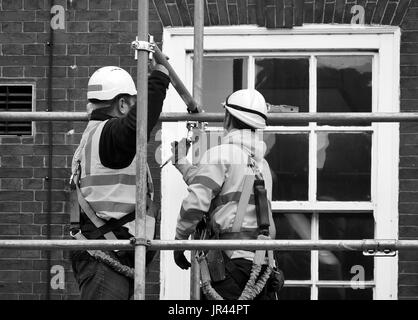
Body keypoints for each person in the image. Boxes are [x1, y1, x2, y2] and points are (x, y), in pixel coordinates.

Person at [70, 62, 170, 300]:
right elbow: (137, 126)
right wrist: (159, 77)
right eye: (132, 103)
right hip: (105, 252)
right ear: (122, 104)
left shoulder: (95, 134)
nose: (135, 109)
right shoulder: (109, 134)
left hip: (107, 250)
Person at [172, 89, 283, 300]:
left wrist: (179, 241)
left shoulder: (220, 154)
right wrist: (183, 166)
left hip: (231, 266)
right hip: (262, 266)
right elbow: (226, 191)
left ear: (228, 117)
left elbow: (195, 204)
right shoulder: (262, 165)